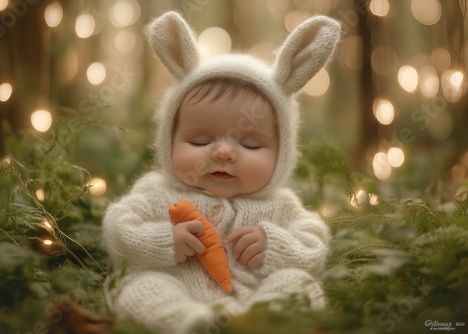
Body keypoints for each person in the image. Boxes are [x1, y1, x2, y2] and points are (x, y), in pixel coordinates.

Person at [102, 11, 340, 334]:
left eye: (252, 145)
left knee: (298, 284)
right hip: (179, 291)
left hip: (256, 298)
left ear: (282, 153)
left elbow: (314, 243)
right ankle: (187, 323)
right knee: (142, 287)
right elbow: (119, 228)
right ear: (169, 141)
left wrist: (276, 244)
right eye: (200, 139)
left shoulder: (281, 206)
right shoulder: (156, 193)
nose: (223, 152)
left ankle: (263, 323)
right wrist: (164, 240)